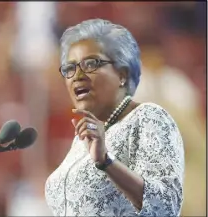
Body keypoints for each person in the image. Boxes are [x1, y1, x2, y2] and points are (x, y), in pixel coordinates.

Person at [45, 19, 185, 216]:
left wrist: (107, 162)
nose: (77, 75)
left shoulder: (148, 118)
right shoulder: (82, 139)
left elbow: (166, 206)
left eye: (91, 63)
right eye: (70, 68)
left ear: (122, 74)